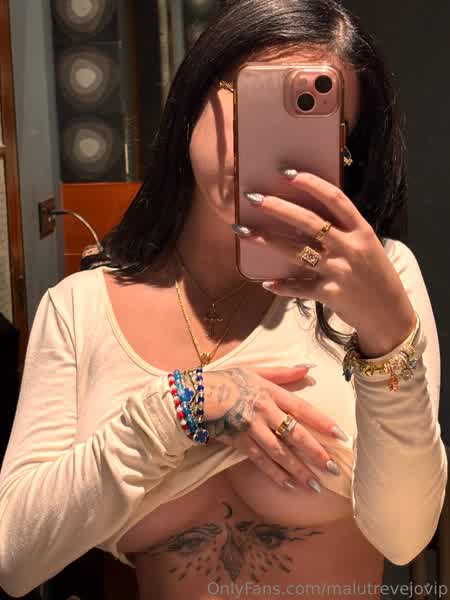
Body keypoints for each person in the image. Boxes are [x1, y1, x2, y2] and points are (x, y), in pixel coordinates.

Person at [0, 1, 447, 598]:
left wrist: (390, 341)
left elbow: (404, 537)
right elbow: (14, 559)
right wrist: (182, 408)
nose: (268, 144)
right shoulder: (78, 308)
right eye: (254, 101)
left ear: (342, 155)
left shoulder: (376, 280)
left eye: (309, 123)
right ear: (195, 98)